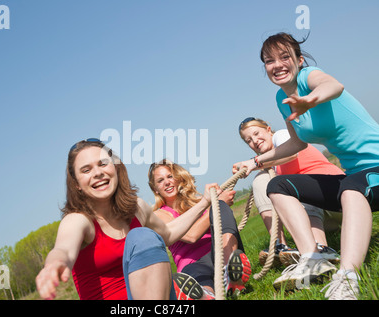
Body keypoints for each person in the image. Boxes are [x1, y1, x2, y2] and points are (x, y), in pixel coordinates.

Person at [233, 32, 379, 300]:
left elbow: (334, 85)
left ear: (299, 60)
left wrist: (311, 99)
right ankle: (312, 256)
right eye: (268, 60)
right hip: (354, 176)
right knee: (277, 185)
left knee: (351, 188)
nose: (276, 64)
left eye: (284, 57)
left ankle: (348, 278)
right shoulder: (282, 98)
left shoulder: (309, 77)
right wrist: (255, 162)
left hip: (375, 167)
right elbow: (296, 144)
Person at [35, 139, 222, 300]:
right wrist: (54, 264)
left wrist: (205, 202)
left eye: (103, 164)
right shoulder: (78, 220)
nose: (97, 173)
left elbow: (169, 233)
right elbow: (63, 249)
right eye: (86, 170)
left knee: (142, 236)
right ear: (76, 184)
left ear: (116, 168)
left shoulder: (137, 208)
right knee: (141, 236)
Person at [237, 117, 344, 266]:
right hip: (324, 217)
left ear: (268, 129)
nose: (254, 141)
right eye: (248, 140)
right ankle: (280, 246)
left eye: (256, 133)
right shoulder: (272, 168)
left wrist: (254, 163)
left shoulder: (282, 136)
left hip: (338, 201)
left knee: (300, 187)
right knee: (260, 180)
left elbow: (291, 154)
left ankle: (321, 250)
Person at [148, 159, 251, 299]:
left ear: (178, 178)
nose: (166, 182)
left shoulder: (199, 202)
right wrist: (213, 204)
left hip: (220, 252)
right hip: (193, 263)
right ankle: (205, 294)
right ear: (155, 188)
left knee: (220, 206)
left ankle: (230, 270)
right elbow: (191, 236)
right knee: (196, 274)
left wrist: (218, 203)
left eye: (170, 176)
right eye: (160, 180)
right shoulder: (159, 215)